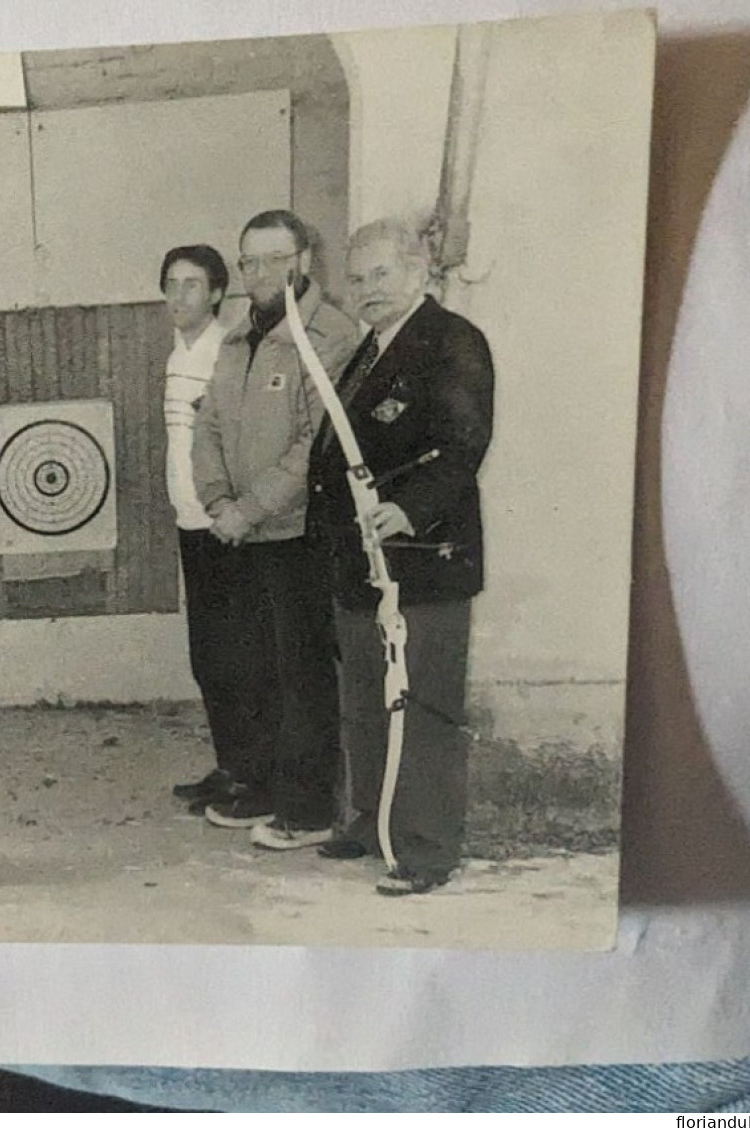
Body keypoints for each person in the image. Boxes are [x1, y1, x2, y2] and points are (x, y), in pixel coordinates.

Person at [309, 218, 495, 896]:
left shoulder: (451, 343)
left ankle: (425, 847)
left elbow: (463, 445)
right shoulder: (369, 350)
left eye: (380, 274)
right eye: (356, 279)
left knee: (422, 704)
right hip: (361, 565)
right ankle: (372, 820)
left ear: (417, 273)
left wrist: (408, 509)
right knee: (364, 700)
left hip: (421, 561)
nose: (366, 290)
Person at [191, 209, 360, 848]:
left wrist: (248, 509)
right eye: (250, 262)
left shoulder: (330, 336)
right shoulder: (239, 337)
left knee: (303, 677)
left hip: (296, 537)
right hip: (240, 533)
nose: (261, 273)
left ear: (305, 262)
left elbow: (315, 446)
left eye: (275, 259)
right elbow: (207, 427)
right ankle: (263, 789)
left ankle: (311, 808)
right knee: (253, 671)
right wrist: (217, 503)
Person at [157, 245, 246, 813]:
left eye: (192, 284)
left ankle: (249, 776)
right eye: (171, 283)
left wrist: (224, 512)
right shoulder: (176, 355)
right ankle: (229, 765)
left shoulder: (226, 353)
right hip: (189, 524)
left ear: (216, 294)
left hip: (222, 528)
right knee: (207, 659)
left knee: (235, 658)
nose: (179, 295)